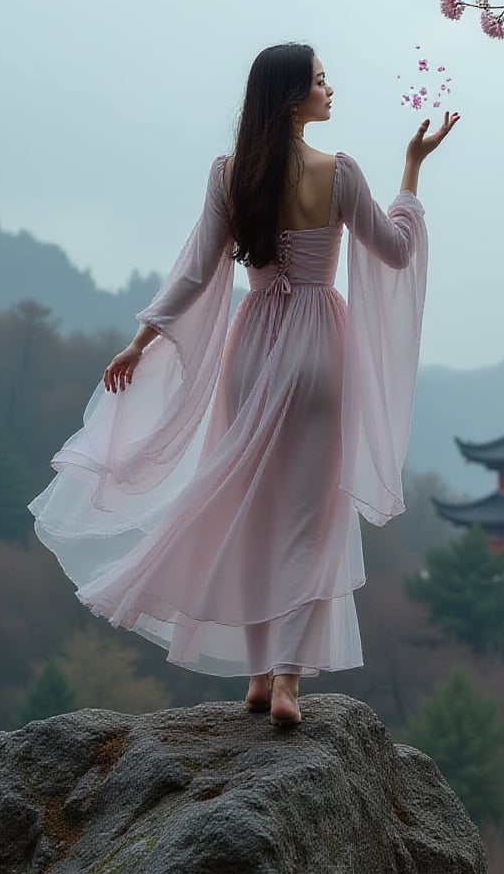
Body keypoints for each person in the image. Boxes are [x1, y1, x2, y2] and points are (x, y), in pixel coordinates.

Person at [29, 43, 459, 728]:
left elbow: (198, 270)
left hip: (253, 343)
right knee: (307, 517)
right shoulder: (340, 172)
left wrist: (140, 340)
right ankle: (286, 678)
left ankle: (259, 679)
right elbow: (397, 251)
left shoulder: (231, 175)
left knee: (254, 512)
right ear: (293, 98)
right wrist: (412, 171)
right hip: (320, 346)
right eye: (320, 80)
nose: (329, 89)